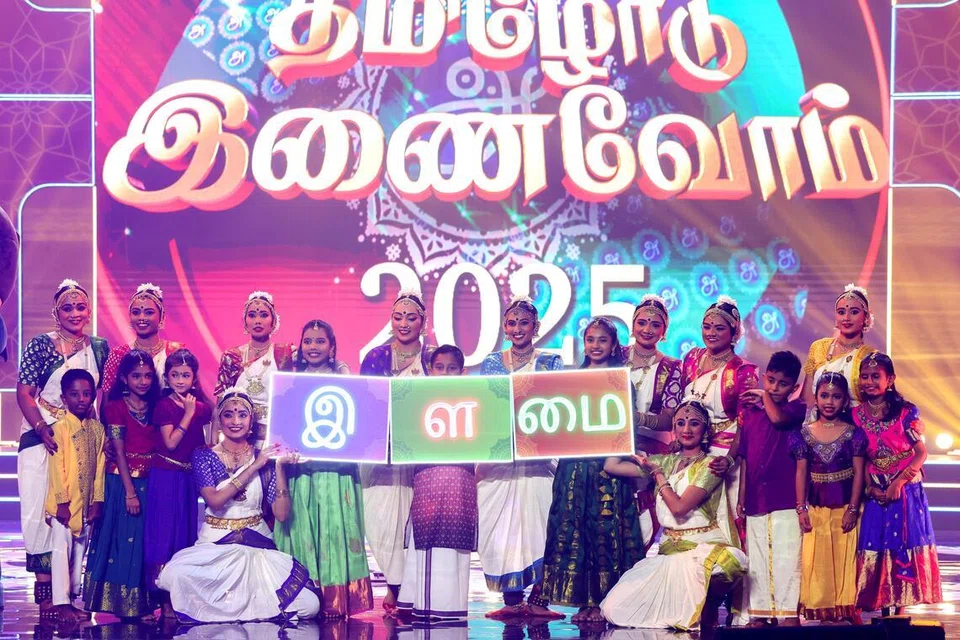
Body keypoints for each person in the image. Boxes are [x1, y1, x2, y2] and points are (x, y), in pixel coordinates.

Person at [156, 389, 320, 623]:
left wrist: (279, 467)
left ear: (251, 422)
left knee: (309, 605)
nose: (235, 421)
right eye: (228, 415)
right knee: (176, 574)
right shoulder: (204, 456)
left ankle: (240, 608)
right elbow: (215, 501)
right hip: (216, 543)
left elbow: (282, 515)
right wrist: (254, 466)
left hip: (257, 545)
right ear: (219, 420)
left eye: (242, 415)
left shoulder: (266, 459)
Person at [600, 401, 747, 631]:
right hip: (670, 553)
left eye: (694, 423)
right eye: (680, 423)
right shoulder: (664, 461)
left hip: (701, 549)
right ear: (674, 429)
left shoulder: (711, 466)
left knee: (726, 566)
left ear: (705, 430)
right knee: (613, 608)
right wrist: (624, 427)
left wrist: (658, 476)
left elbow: (679, 508)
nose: (686, 429)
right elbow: (611, 465)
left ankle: (708, 603)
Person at [16, 279, 108, 617]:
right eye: (67, 308)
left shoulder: (99, 347)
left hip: (80, 437)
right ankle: (46, 597)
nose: (74, 313)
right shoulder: (41, 345)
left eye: (80, 307)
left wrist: (99, 436)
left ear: (89, 311)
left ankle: (66, 595)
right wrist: (43, 429)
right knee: (40, 513)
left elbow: (100, 397)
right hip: (40, 437)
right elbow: (24, 393)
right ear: (56, 313)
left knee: (75, 515)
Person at [540, 317, 643, 623]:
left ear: (613, 345)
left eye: (602, 340)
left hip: (606, 471)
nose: (596, 345)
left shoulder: (620, 381)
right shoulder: (571, 379)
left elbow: (626, 427)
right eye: (590, 339)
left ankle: (604, 602)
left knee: (604, 533)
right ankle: (584, 602)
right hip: (573, 469)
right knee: (575, 531)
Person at [275, 320, 373, 620]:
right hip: (301, 472)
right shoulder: (290, 382)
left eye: (320, 341)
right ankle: (304, 597)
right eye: (308, 341)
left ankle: (334, 601)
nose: (313, 347)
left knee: (334, 528)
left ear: (332, 347)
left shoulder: (345, 381)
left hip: (336, 472)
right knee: (302, 528)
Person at [478, 296, 564, 619]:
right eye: (512, 323)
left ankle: (540, 601)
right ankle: (512, 601)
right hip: (501, 458)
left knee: (540, 526)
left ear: (536, 327)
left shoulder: (551, 362)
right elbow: (486, 405)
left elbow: (558, 405)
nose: (517, 329)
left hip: (539, 459)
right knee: (501, 528)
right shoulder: (491, 362)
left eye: (524, 323)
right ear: (504, 327)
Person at [359, 290, 434, 613]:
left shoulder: (432, 358)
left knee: (412, 523)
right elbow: (365, 401)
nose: (403, 323)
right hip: (380, 452)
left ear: (423, 322)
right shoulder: (375, 356)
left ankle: (405, 588)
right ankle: (395, 583)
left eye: (411, 318)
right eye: (398, 317)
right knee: (378, 520)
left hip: (420, 453)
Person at [853, 353, 942, 614]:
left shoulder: (905, 412)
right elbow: (860, 458)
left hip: (905, 488)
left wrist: (898, 484)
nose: (869, 382)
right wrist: (870, 488)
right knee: (876, 542)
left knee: (901, 541)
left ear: (890, 379)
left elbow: (921, 452)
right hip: (875, 488)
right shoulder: (855, 415)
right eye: (865, 376)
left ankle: (900, 610)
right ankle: (882, 605)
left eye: (876, 376)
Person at [396, 345, 477, 623]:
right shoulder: (417, 400)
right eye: (439, 367)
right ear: (429, 370)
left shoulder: (473, 400)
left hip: (461, 480)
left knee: (454, 542)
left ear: (462, 372)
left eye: (451, 368)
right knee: (427, 539)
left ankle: (449, 608)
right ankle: (420, 603)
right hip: (428, 479)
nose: (444, 373)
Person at [84, 350, 159, 620]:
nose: (143, 381)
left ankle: (143, 604)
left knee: (143, 543)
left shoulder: (157, 406)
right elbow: (118, 450)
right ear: (125, 379)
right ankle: (123, 605)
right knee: (123, 541)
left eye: (148, 376)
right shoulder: (115, 407)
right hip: (122, 483)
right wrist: (129, 492)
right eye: (136, 376)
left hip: (151, 483)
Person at [735, 351, 806, 628]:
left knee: (787, 556)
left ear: (794, 387)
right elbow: (745, 456)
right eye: (771, 381)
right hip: (756, 497)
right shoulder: (750, 414)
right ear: (764, 377)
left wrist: (763, 396)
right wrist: (741, 495)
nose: (775, 388)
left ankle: (788, 612)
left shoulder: (795, 410)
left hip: (785, 497)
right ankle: (760, 612)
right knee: (758, 557)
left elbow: (776, 419)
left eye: (782, 384)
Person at [681, 296, 759, 546]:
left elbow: (746, 424)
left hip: (725, 453)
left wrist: (730, 459)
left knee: (725, 522)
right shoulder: (692, 358)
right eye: (707, 327)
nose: (711, 333)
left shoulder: (743, 370)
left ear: (734, 332)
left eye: (719, 328)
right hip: (692, 450)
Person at [790, 373, 865, 623]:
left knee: (845, 556)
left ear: (845, 401)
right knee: (817, 557)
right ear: (815, 398)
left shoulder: (854, 434)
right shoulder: (803, 434)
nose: (829, 402)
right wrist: (801, 508)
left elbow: (859, 473)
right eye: (824, 395)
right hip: (816, 507)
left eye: (836, 397)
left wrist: (853, 509)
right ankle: (822, 611)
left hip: (845, 506)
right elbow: (801, 472)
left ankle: (844, 610)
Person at [145, 348, 214, 619]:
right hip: (166, 476)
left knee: (184, 537)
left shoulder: (201, 406)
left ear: (194, 378)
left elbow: (211, 429)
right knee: (164, 535)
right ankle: (162, 600)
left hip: (187, 479)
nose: (180, 380)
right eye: (175, 375)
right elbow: (171, 443)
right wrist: (188, 413)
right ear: (167, 377)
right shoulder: (164, 406)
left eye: (186, 375)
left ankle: (180, 597)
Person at [45, 369, 106, 623]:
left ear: (93, 396)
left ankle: (71, 599)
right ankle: (61, 603)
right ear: (64, 398)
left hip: (86, 503)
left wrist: (97, 500)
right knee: (61, 552)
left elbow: (100, 466)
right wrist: (62, 502)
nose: (81, 399)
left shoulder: (97, 429)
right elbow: (56, 468)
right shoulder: (59, 429)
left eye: (86, 394)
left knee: (79, 553)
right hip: (64, 505)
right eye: (74, 394)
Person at [626, 295, 683, 554]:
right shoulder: (615, 356)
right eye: (642, 322)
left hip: (651, 449)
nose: (647, 329)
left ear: (664, 330)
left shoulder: (671, 366)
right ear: (633, 324)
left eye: (655, 324)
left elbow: (670, 419)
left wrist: (637, 418)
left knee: (645, 519)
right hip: (614, 446)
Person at [214, 291, 295, 447]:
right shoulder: (232, 356)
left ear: (274, 321)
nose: (257, 321)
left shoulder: (286, 354)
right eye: (252, 315)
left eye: (264, 315)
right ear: (245, 322)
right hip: (238, 438)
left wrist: (341, 367)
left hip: (275, 437)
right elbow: (220, 405)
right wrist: (217, 443)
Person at [801, 284, 876, 411]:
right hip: (816, 420)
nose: (846, 318)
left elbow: (876, 404)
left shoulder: (871, 357)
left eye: (854, 312)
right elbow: (806, 399)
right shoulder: (818, 347)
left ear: (866, 317)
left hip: (854, 421)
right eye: (841, 312)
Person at [101, 283, 183, 397]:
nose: (141, 318)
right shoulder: (118, 354)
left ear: (162, 316)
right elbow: (107, 400)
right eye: (136, 312)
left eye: (149, 312)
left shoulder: (176, 352)